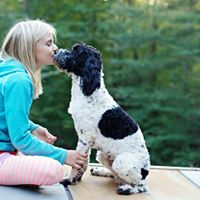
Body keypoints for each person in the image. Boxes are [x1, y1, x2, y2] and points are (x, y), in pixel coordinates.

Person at [0, 19, 87, 186]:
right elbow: (20, 140)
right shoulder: (19, 80)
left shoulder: (6, 70)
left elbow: (4, 113)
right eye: (48, 43)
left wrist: (33, 128)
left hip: (7, 152)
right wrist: (64, 156)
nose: (54, 48)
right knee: (53, 169)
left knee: (40, 157)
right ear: (29, 47)